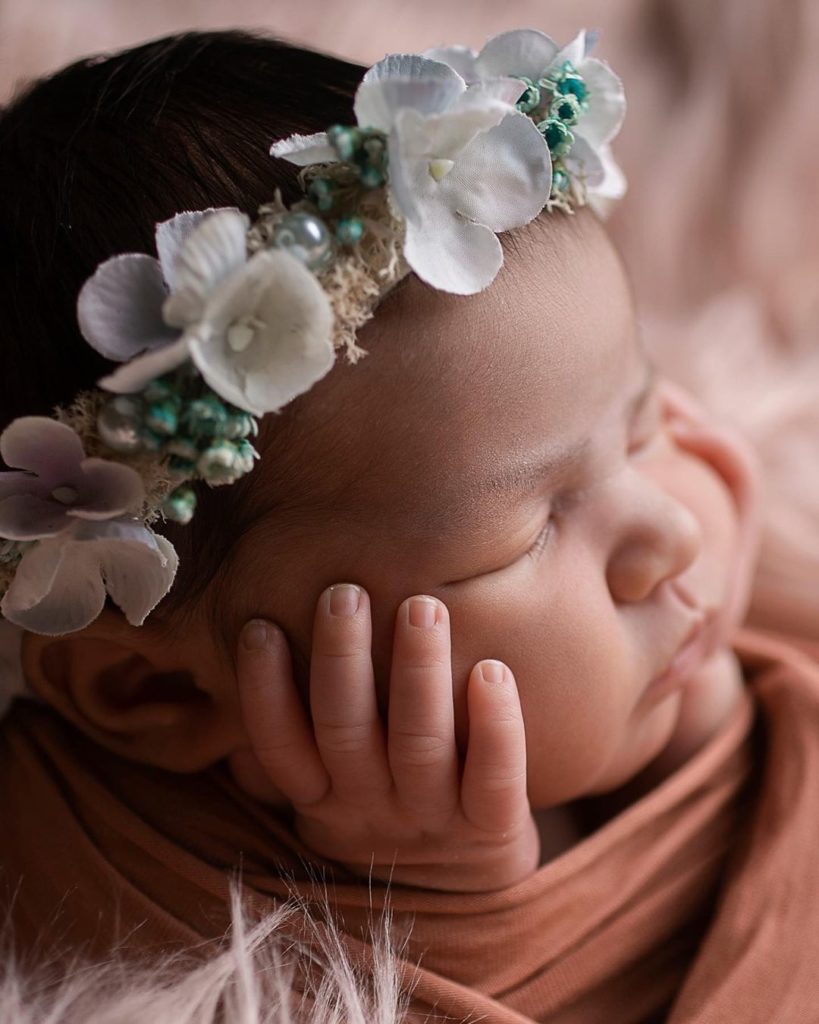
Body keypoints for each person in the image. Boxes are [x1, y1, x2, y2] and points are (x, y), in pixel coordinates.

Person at [2, 26, 819, 1024]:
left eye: (645, 420)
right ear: (156, 688)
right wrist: (437, 904)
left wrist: (709, 730)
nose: (674, 536)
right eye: (530, 533)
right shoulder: (104, 897)